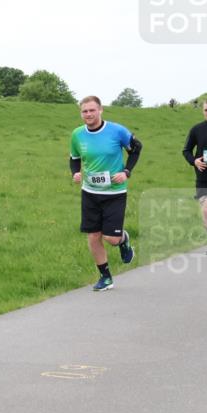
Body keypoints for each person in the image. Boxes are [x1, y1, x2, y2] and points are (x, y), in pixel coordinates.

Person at [69, 95, 142, 291]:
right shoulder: (77, 134)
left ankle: (123, 239)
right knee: (93, 236)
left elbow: (136, 148)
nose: (89, 114)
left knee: (111, 239)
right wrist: (75, 172)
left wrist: (126, 172)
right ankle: (105, 277)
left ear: (100, 110)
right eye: (85, 111)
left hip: (115, 193)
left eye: (92, 110)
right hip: (90, 192)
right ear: (81, 113)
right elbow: (74, 158)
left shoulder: (117, 131)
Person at [181, 99, 207, 239]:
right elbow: (186, 151)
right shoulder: (197, 129)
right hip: (203, 180)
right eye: (206, 110)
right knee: (206, 212)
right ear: (203, 111)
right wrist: (195, 161)